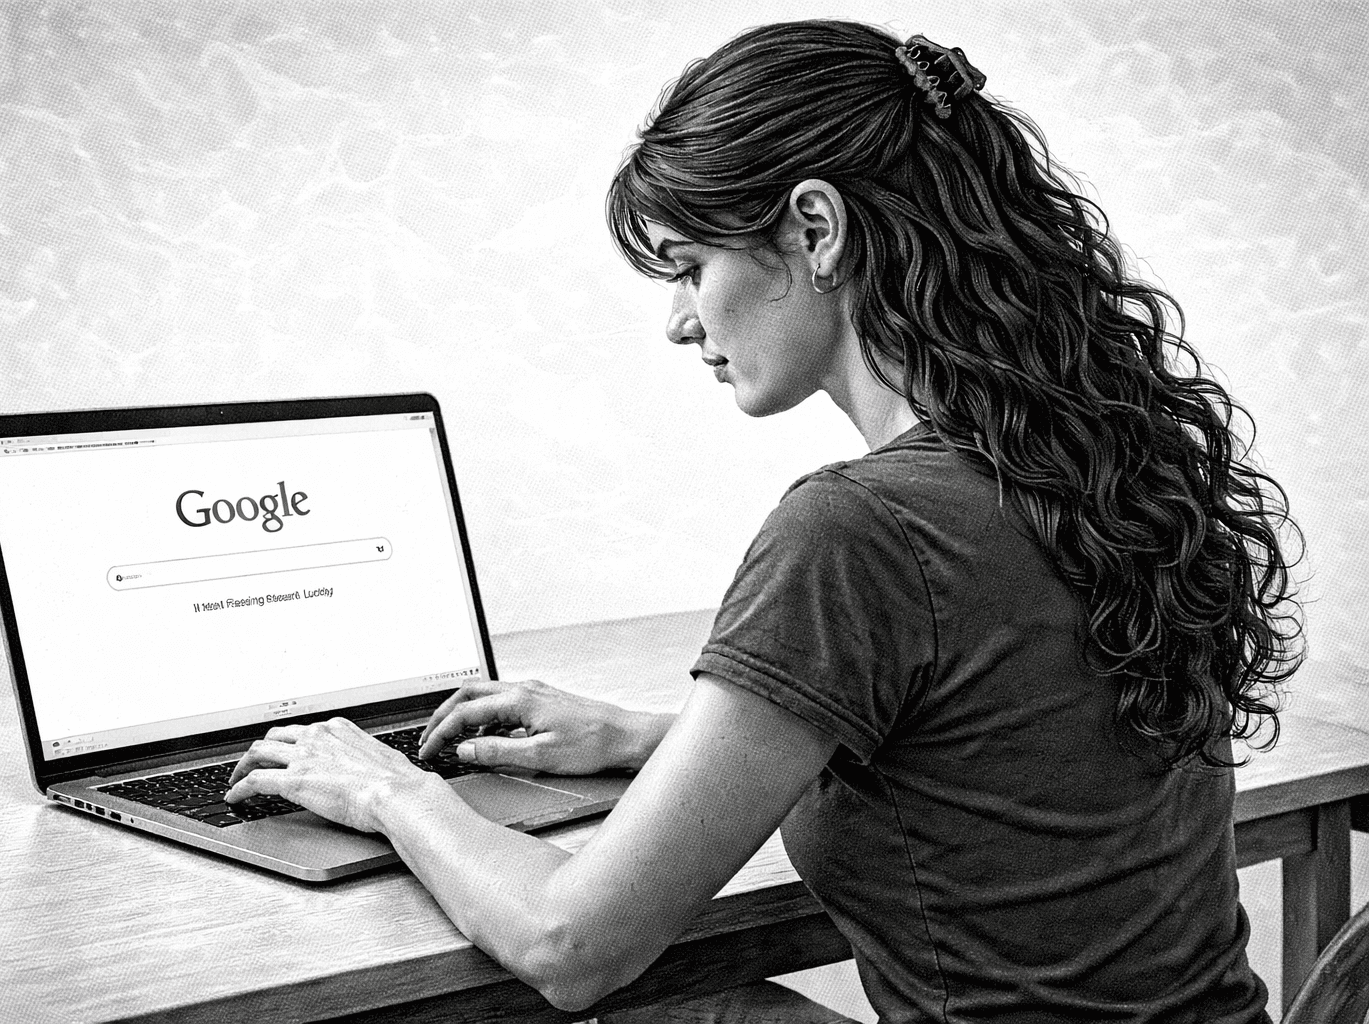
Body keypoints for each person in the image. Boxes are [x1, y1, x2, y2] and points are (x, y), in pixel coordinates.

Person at [224, 20, 1301, 1023]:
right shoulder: (1109, 464)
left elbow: (570, 943)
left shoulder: (859, 529)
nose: (678, 321)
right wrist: (647, 739)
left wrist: (392, 789)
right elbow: (1002, 764)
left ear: (816, 230)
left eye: (690, 267)